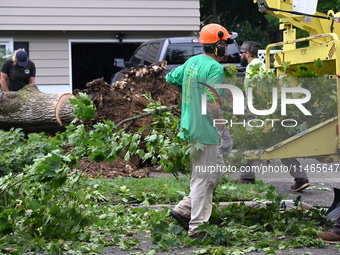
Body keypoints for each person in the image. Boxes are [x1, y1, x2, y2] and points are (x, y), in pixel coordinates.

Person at [166, 23, 233, 239]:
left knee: (215, 172)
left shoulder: (191, 62)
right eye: (225, 45)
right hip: (206, 129)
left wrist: (189, 94)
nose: (227, 49)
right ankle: (197, 228)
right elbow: (212, 102)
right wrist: (222, 127)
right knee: (203, 178)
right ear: (218, 47)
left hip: (190, 127)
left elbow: (170, 78)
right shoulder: (215, 68)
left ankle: (185, 208)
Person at [234, 41, 310, 192]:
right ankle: (300, 178)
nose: (240, 55)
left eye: (242, 53)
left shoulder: (253, 67)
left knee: (249, 140)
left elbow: (259, 89)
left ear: (248, 54)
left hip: (259, 110)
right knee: (273, 143)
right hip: (263, 109)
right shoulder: (260, 65)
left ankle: (247, 178)